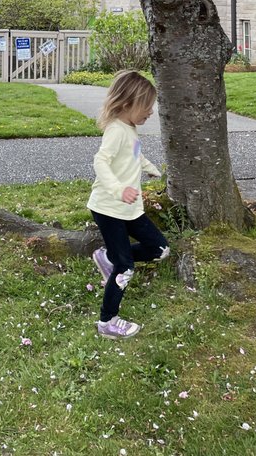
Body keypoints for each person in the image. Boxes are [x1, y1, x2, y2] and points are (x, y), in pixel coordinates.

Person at [87, 69, 170, 339]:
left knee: (159, 249)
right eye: (146, 108)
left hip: (130, 209)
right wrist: (118, 188)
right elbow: (101, 161)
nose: (150, 113)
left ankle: (108, 257)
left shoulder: (131, 130)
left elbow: (136, 154)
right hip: (109, 208)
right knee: (125, 269)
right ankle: (107, 322)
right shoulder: (115, 131)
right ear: (126, 104)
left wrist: (150, 168)